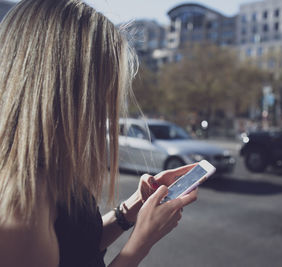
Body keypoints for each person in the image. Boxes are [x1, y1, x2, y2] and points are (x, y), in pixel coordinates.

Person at [0, 0, 198, 266]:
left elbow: (75, 247)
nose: (106, 104)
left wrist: (131, 209)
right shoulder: (20, 205)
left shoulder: (46, 164)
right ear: (65, 87)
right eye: (103, 86)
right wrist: (140, 243)